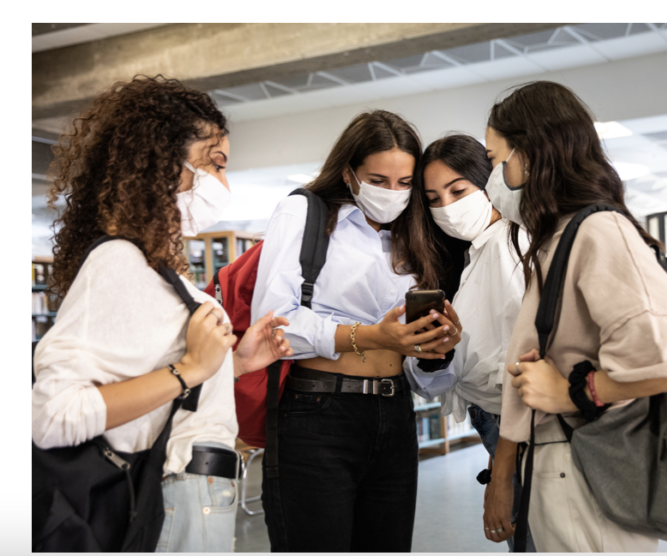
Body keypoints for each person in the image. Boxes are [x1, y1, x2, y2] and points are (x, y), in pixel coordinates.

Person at [32, 75, 294, 552]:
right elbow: (53, 415)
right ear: (160, 159)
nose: (223, 182)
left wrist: (230, 366)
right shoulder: (119, 262)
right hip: (177, 493)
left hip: (197, 490)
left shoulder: (151, 269)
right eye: (214, 163)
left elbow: (154, 384)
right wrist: (191, 368)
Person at [489, 81, 667, 552]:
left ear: (532, 155)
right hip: (559, 459)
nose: (497, 177)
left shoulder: (598, 231)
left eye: (501, 161)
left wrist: (575, 391)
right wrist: (503, 469)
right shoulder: (556, 240)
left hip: (586, 462)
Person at [251, 109, 463, 553]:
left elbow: (427, 379)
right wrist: (372, 336)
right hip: (319, 411)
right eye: (378, 180)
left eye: (405, 183)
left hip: (395, 412)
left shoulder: (414, 235)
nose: (393, 194)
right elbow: (273, 323)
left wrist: (434, 349)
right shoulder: (306, 213)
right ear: (349, 172)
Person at [403, 134, 533, 551]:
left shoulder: (512, 246)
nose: (447, 208)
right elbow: (448, 376)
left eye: (458, 190)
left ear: (489, 179)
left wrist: (501, 475)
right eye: (434, 198)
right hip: (496, 425)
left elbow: (526, 365)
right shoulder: (473, 254)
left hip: (518, 428)